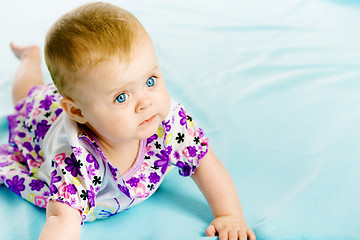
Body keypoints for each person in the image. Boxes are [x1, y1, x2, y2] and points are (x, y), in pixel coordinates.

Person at [0, 2, 256, 240]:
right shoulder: (76, 161)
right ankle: (29, 59)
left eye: (150, 81)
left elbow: (205, 162)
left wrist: (229, 215)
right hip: (44, 116)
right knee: (27, 94)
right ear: (78, 112)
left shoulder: (168, 125)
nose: (145, 102)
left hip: (79, 102)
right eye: (121, 97)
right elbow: (61, 219)